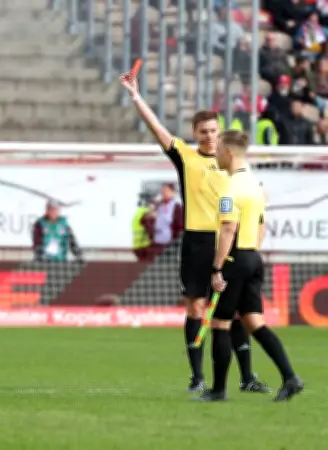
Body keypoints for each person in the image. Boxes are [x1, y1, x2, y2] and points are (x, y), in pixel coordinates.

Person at [120, 71, 270, 394]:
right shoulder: (186, 157)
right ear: (194, 133)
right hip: (197, 242)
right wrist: (135, 96)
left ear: (220, 131)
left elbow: (253, 202)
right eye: (203, 131)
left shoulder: (234, 163)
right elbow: (157, 129)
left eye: (213, 130)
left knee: (235, 310)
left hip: (229, 240)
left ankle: (247, 378)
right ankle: (198, 377)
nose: (209, 136)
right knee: (196, 307)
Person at [198, 130, 304, 402]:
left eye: (218, 149)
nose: (216, 154)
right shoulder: (256, 186)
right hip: (254, 257)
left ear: (229, 152)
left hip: (235, 259)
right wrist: (250, 255)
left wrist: (217, 268)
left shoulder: (230, 188)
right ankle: (290, 377)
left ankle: (218, 391)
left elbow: (228, 229)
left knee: (220, 324)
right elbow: (260, 226)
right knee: (254, 322)